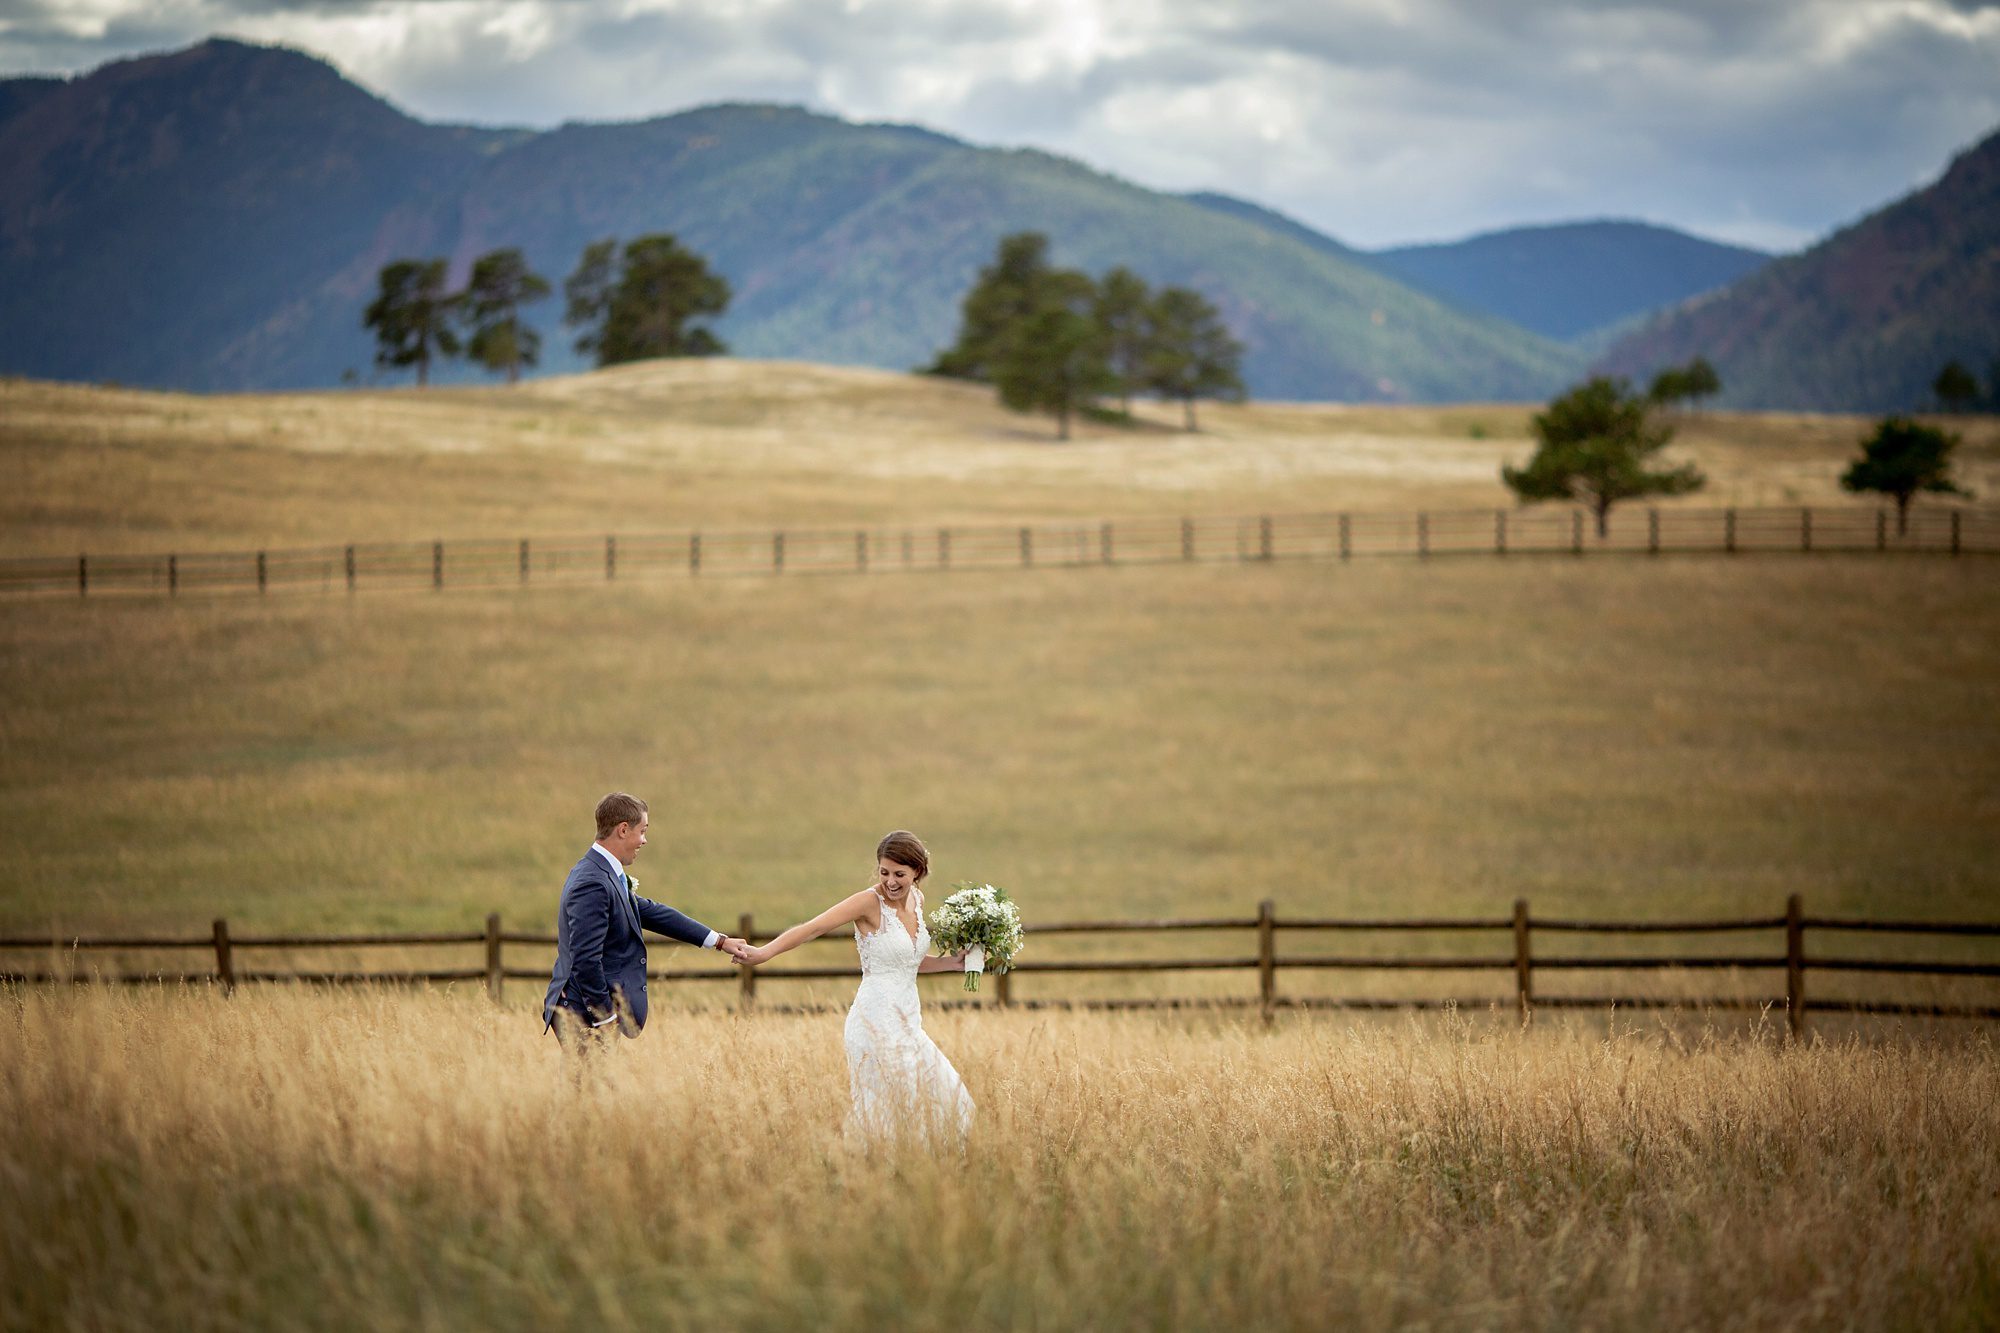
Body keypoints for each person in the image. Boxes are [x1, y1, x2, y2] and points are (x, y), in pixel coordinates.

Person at [737, 830, 974, 1144]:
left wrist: (953, 963)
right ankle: (867, 1174)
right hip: (874, 1022)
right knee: (890, 1109)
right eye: (884, 872)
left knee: (947, 1096)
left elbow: (906, 961)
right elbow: (812, 928)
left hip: (908, 1022)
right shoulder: (867, 902)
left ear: (917, 872)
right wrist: (763, 952)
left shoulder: (917, 900)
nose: (890, 881)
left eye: (899, 874)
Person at [542, 792, 749, 1067]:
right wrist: (605, 1016)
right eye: (642, 831)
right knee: (588, 1097)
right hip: (582, 1010)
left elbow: (651, 912)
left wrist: (718, 941)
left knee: (592, 1097)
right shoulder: (592, 882)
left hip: (588, 1008)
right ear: (623, 830)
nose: (644, 840)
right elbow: (584, 959)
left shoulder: (603, 872)